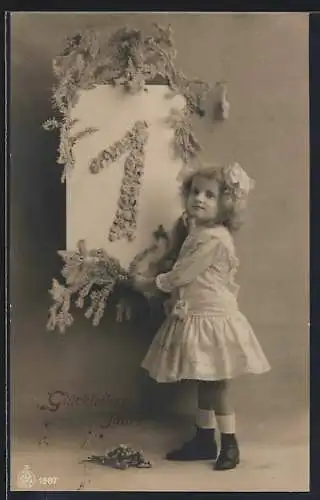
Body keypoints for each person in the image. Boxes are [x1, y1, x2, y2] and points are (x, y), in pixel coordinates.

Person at [132, 162, 271, 470]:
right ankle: (204, 439)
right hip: (197, 313)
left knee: (216, 384)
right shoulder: (200, 232)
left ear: (226, 203)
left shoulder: (214, 239)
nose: (200, 199)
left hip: (214, 318)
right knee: (204, 379)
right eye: (195, 192)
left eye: (210, 195)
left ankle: (230, 443)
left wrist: (148, 284)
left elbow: (182, 274)